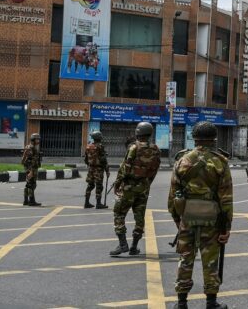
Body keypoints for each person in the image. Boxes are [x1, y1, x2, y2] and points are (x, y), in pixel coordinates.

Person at [169, 121, 233, 309]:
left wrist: (177, 219)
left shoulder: (182, 160)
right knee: (211, 259)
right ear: (214, 139)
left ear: (194, 137)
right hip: (212, 219)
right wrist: (226, 227)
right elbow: (226, 198)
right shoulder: (220, 162)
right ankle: (211, 303)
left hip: (187, 217)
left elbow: (173, 195)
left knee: (185, 258)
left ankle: (181, 303)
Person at [110, 122, 161, 256]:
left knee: (119, 213)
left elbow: (125, 168)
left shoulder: (134, 148)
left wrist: (117, 183)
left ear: (137, 132)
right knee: (139, 217)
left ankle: (122, 244)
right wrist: (147, 182)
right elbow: (155, 170)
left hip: (129, 187)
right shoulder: (156, 149)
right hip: (144, 188)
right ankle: (134, 246)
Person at [84, 130, 110, 209]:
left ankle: (86, 202)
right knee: (99, 186)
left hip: (91, 169)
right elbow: (103, 160)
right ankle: (98, 204)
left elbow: (86, 159)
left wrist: (90, 165)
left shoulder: (88, 146)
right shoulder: (100, 147)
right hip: (98, 169)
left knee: (90, 185)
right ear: (99, 138)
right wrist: (107, 170)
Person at [21, 133, 43, 206]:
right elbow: (31, 161)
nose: (38, 140)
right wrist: (31, 171)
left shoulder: (28, 147)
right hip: (31, 169)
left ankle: (25, 200)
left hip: (29, 168)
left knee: (28, 184)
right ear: (33, 140)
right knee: (32, 185)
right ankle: (31, 201)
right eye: (37, 139)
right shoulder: (32, 148)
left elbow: (24, 160)